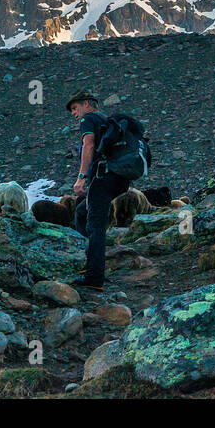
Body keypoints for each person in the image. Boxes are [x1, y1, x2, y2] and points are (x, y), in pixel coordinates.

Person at [66, 90, 126, 290]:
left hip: (103, 177)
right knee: (82, 213)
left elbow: (88, 144)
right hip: (119, 180)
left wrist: (81, 178)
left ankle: (94, 278)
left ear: (86, 103)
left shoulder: (89, 119)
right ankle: (90, 264)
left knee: (96, 224)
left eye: (75, 108)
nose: (74, 113)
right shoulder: (106, 120)